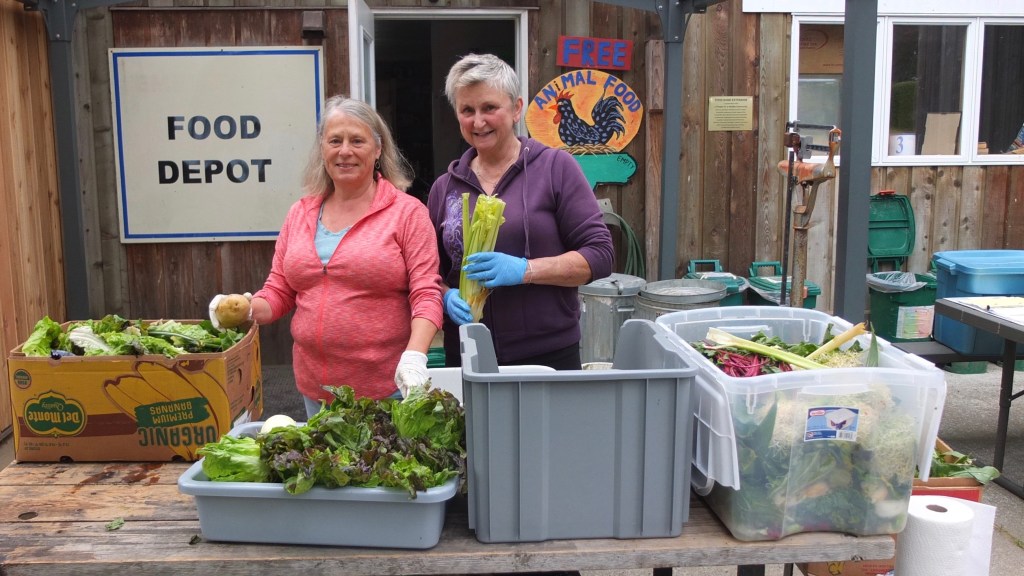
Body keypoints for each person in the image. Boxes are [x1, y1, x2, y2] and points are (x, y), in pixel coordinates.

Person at [209, 96, 443, 419]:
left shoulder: (407, 214)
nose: (345, 151)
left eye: (357, 141)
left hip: (386, 388)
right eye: (335, 141)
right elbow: (280, 290)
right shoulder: (300, 213)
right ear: (322, 148)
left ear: (378, 150)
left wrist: (415, 355)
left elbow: (427, 294)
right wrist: (246, 308)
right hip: (315, 390)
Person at [427, 53, 614, 370]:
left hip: (548, 353)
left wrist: (526, 270)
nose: (478, 121)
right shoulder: (444, 188)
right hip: (466, 352)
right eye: (467, 110)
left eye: (489, 108)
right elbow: (428, 273)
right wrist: (445, 297)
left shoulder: (555, 168)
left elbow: (600, 255)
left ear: (516, 109)